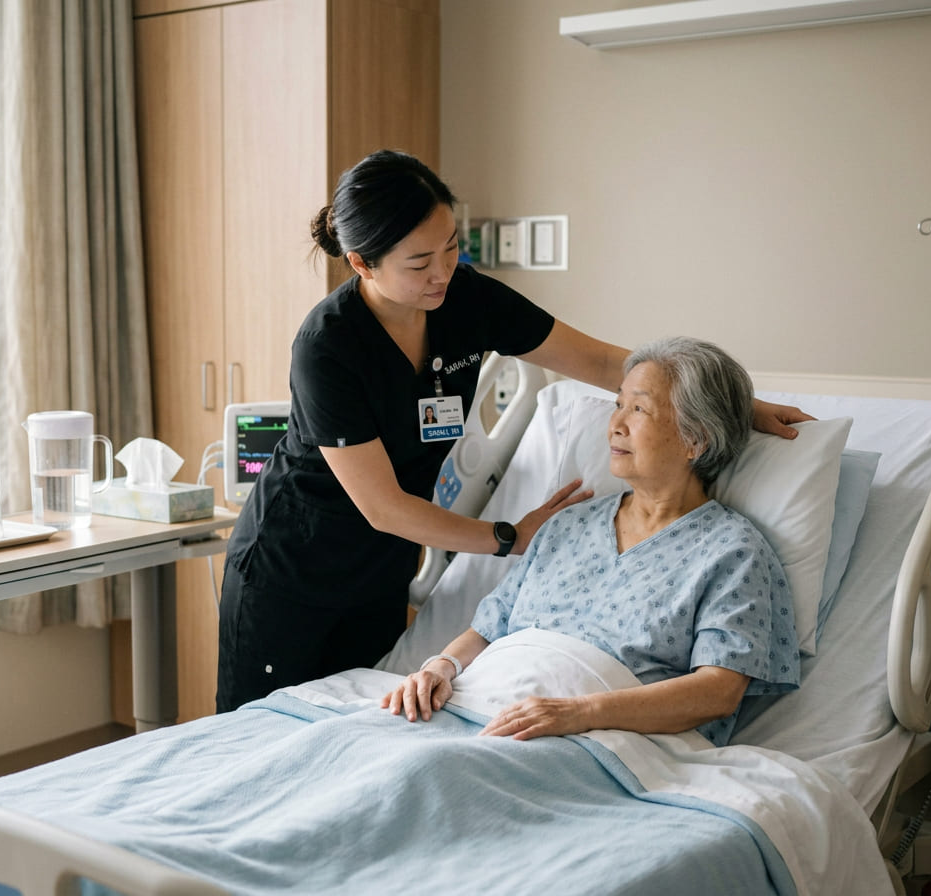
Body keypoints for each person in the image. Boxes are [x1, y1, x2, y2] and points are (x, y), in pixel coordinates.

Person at [217, 150, 810, 713]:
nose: (443, 271)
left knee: (347, 741)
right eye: (419, 262)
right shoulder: (329, 346)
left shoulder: (466, 299)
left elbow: (603, 363)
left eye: (451, 247)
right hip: (292, 571)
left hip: (379, 573)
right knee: (259, 739)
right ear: (363, 264)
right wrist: (507, 536)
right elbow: (383, 506)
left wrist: (738, 405)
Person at [383, 337, 800, 747]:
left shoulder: (732, 551)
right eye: (618, 404)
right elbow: (490, 627)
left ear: (696, 440)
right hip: (481, 705)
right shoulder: (568, 524)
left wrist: (578, 713)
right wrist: (441, 667)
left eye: (638, 409)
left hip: (593, 739)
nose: (615, 425)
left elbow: (717, 691)